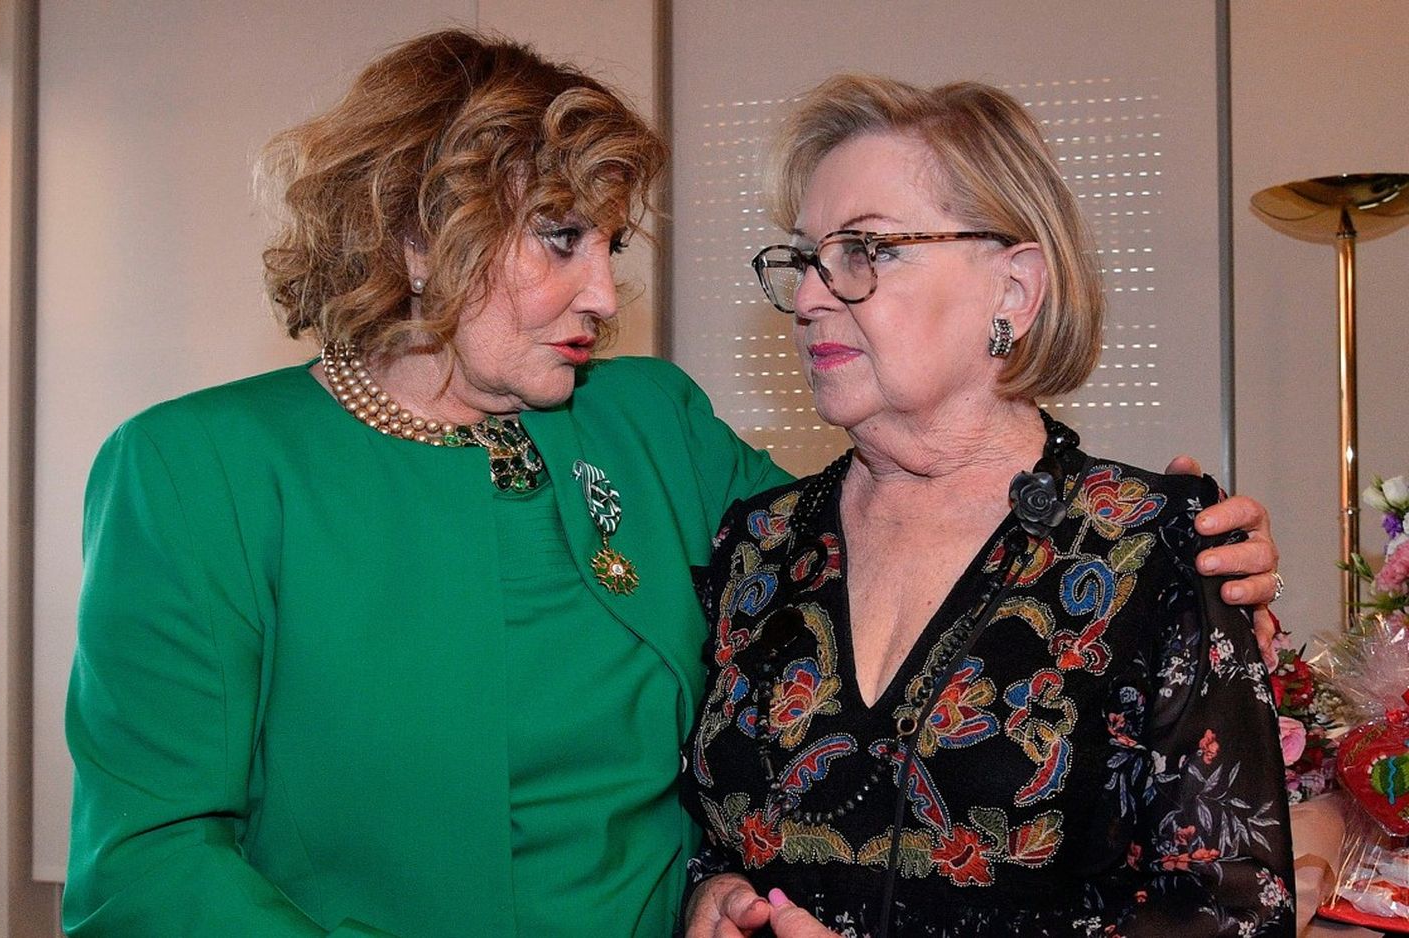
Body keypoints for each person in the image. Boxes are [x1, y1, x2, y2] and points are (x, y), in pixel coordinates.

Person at [63, 31, 1282, 937]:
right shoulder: (198, 470)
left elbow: (924, 537)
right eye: (561, 238)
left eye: (611, 243)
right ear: (419, 232)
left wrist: (1171, 561)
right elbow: (146, 859)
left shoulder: (647, 424)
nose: (604, 291)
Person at [681, 76, 1293, 938]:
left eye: (866, 250)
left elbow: (1232, 915)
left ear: (1014, 289)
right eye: (807, 259)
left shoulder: (1151, 546)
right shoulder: (759, 544)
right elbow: (699, 825)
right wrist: (709, 893)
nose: (812, 297)